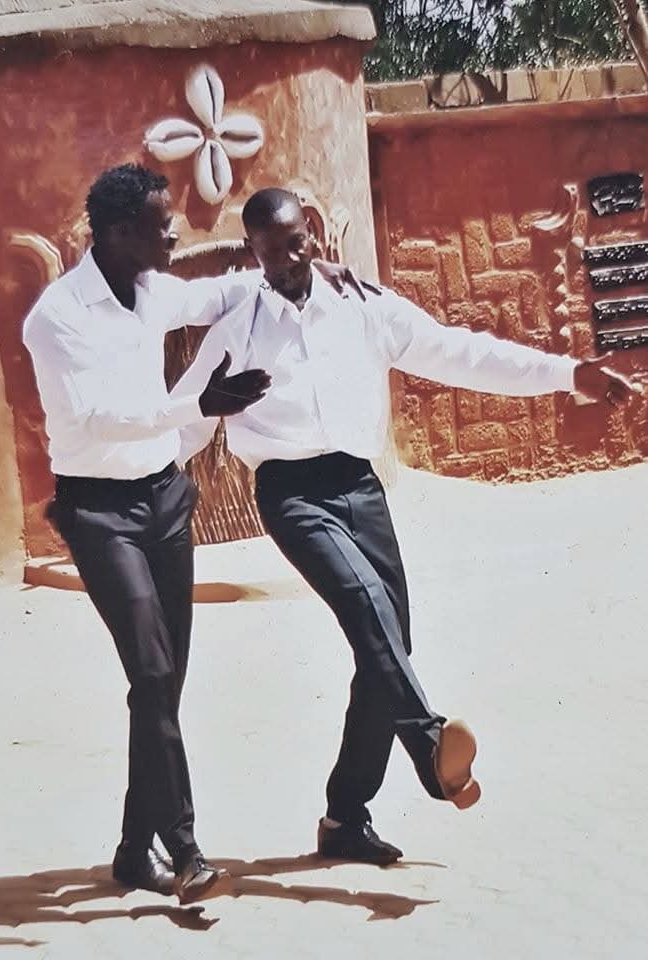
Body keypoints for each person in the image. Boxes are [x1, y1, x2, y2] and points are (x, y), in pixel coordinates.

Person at [171, 186, 635, 866]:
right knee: (366, 606)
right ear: (253, 253)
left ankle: (344, 818)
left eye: (298, 243)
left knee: (387, 644)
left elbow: (458, 353)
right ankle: (430, 745)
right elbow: (180, 423)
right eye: (273, 251)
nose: (290, 260)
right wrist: (128, 480)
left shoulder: (363, 306)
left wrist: (569, 374)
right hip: (290, 493)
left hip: (359, 486)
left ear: (313, 235)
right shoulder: (236, 330)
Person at [22, 165, 362, 902]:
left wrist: (311, 268)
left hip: (164, 501)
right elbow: (96, 419)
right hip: (99, 512)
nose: (174, 232)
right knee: (150, 675)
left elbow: (227, 290)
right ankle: (185, 849)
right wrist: (196, 405)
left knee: (163, 683)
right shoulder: (56, 317)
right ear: (119, 233)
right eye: (160, 223)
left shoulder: (152, 289)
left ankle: (130, 851)